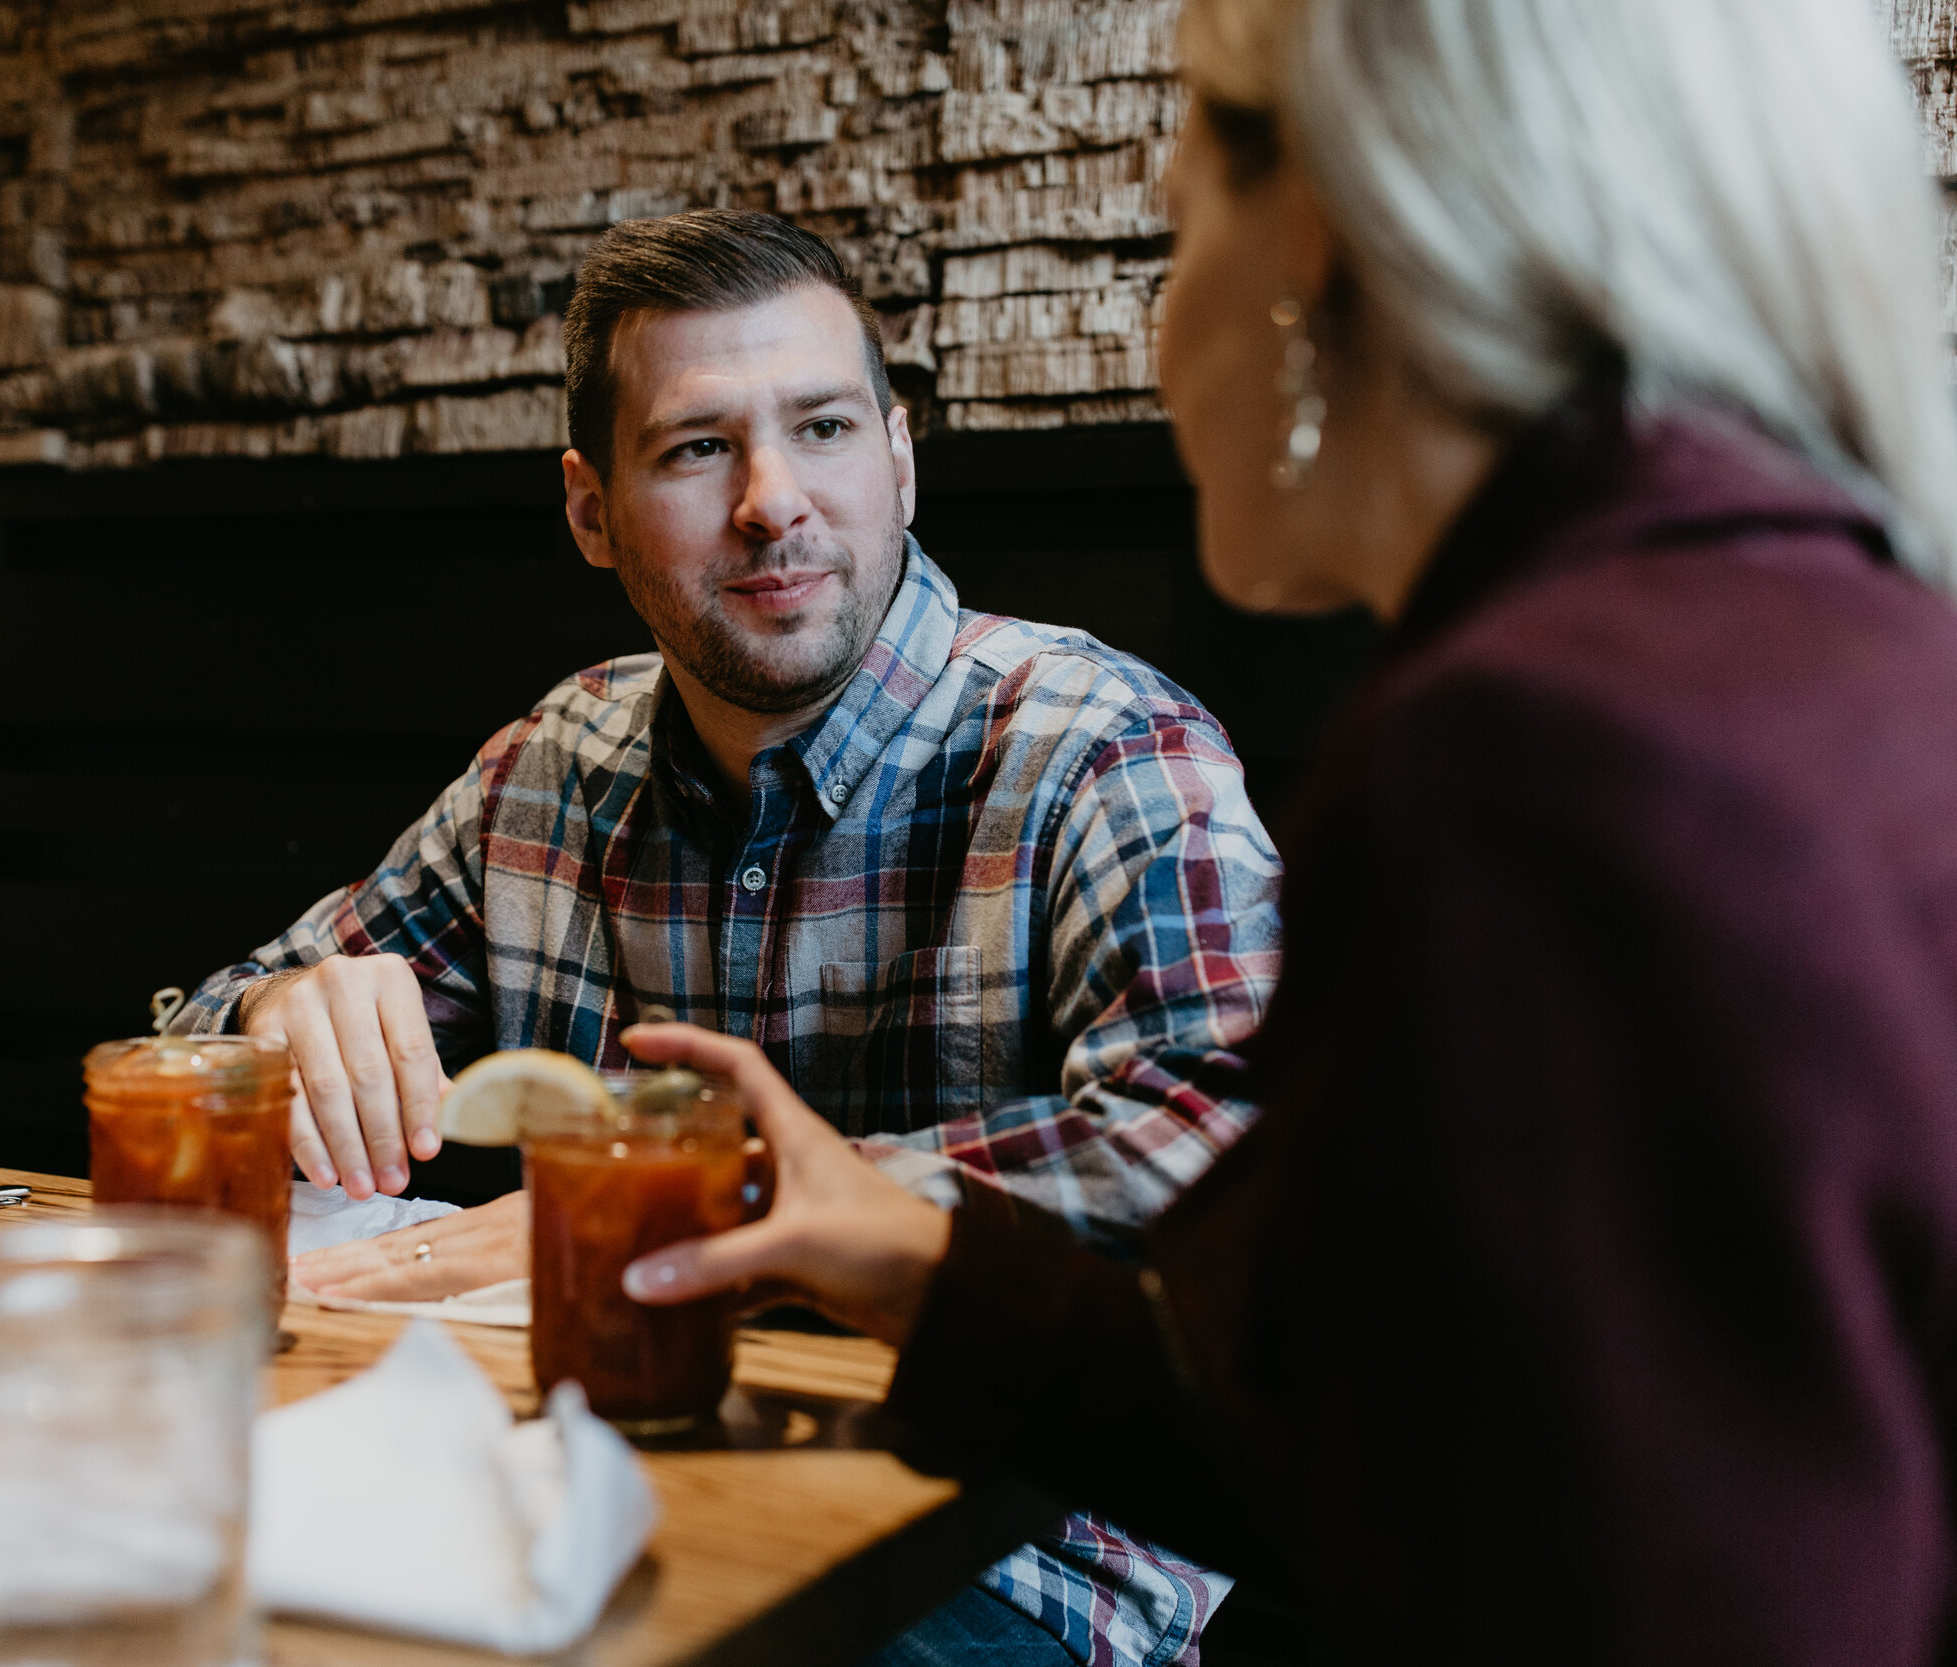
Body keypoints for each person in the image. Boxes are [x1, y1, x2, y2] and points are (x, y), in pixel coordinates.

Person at [610, 0, 1957, 1662]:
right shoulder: (1818, 638)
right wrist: (917, 1263)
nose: (1164, 325)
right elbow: (1405, 1462)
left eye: (1176, 231)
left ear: (1313, 250)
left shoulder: (1544, 761)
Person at [170, 210, 1283, 1663]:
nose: (774, 501)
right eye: (698, 449)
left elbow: (1221, 1143)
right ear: (591, 511)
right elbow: (209, 1030)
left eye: (822, 427)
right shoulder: (551, 768)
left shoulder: (1100, 744)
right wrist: (271, 1029)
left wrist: (747, 1208)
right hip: (598, 1496)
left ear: (900, 455)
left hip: (1019, 1558)